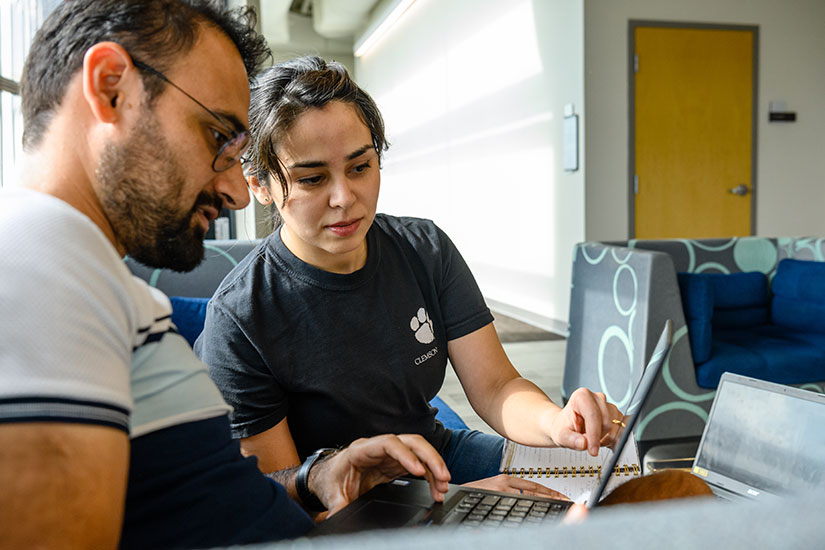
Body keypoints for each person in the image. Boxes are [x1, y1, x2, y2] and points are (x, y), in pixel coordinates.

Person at [0, 2, 452, 548]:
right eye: (218, 137)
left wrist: (315, 478)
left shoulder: (95, 283)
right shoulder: (36, 264)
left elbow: (199, 495)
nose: (239, 192)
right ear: (110, 87)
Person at [195, 56, 624, 494]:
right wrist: (454, 507)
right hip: (347, 499)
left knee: (612, 474)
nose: (344, 197)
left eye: (360, 167)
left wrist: (558, 423)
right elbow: (286, 501)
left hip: (436, 457)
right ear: (260, 185)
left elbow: (496, 386)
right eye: (311, 179)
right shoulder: (240, 318)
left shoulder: (425, 249)